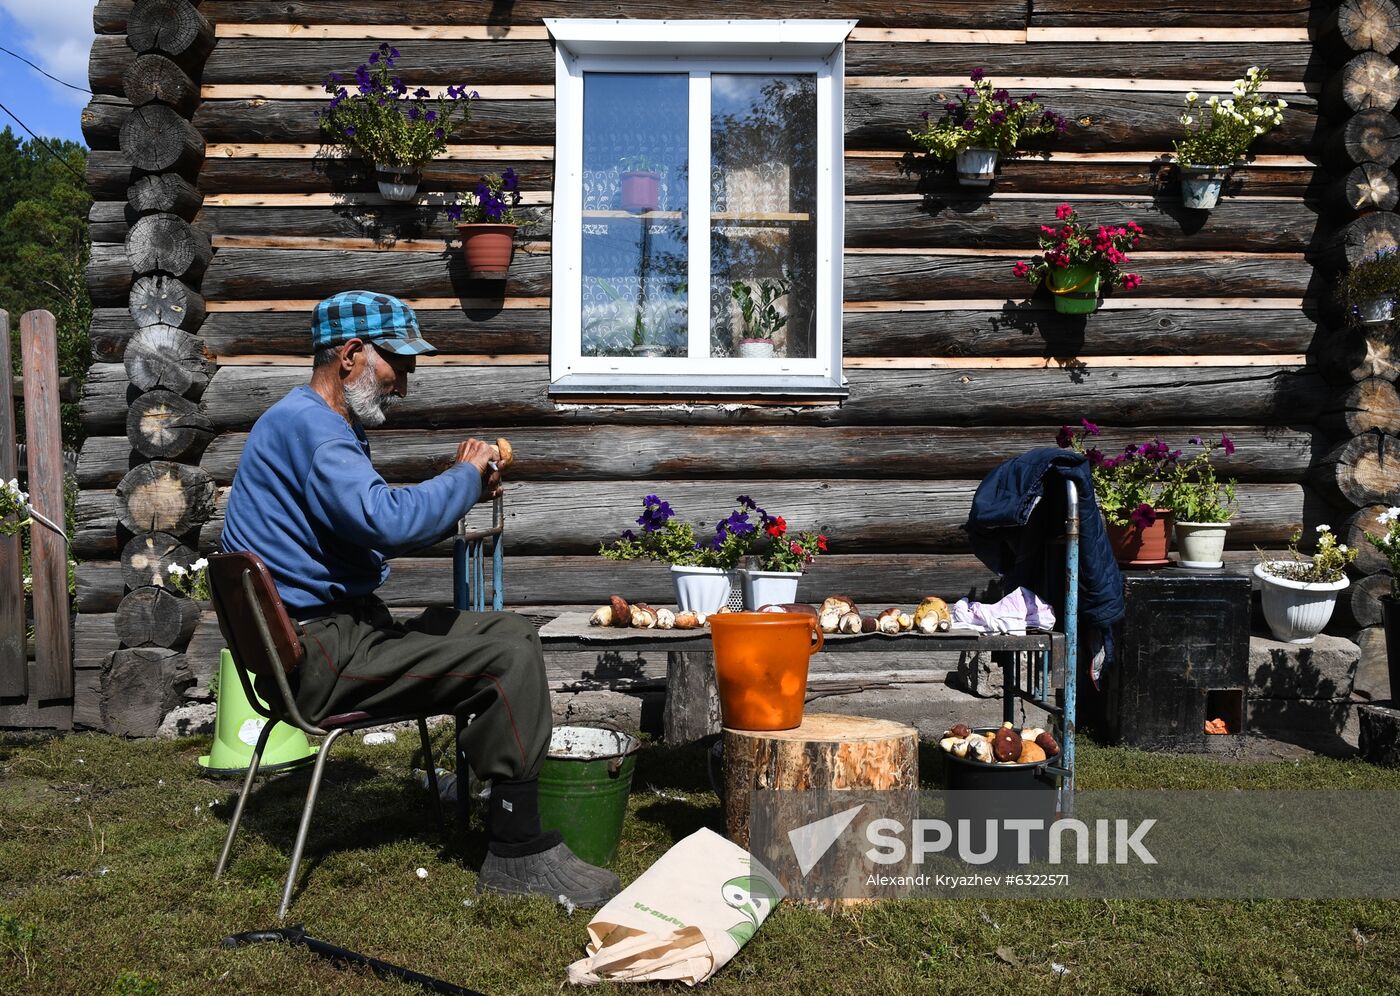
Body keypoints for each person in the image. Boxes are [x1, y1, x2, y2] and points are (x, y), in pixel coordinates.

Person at [220, 290, 620, 906]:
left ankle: (485, 787)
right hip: (321, 657)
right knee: (508, 650)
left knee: (476, 625)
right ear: (352, 355)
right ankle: (517, 850)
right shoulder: (315, 430)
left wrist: (461, 490)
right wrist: (463, 476)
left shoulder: (303, 422)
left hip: (316, 646)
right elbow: (386, 521)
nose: (403, 385)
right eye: (397, 366)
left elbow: (367, 523)